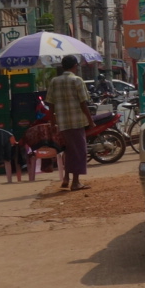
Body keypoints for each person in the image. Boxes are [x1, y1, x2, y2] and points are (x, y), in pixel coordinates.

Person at [46, 55, 92, 191]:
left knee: (69, 151)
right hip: (76, 122)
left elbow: (51, 104)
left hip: (62, 122)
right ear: (75, 66)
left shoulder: (54, 81)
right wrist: (90, 120)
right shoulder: (77, 80)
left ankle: (66, 178)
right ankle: (75, 182)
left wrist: (52, 122)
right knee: (79, 152)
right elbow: (83, 103)